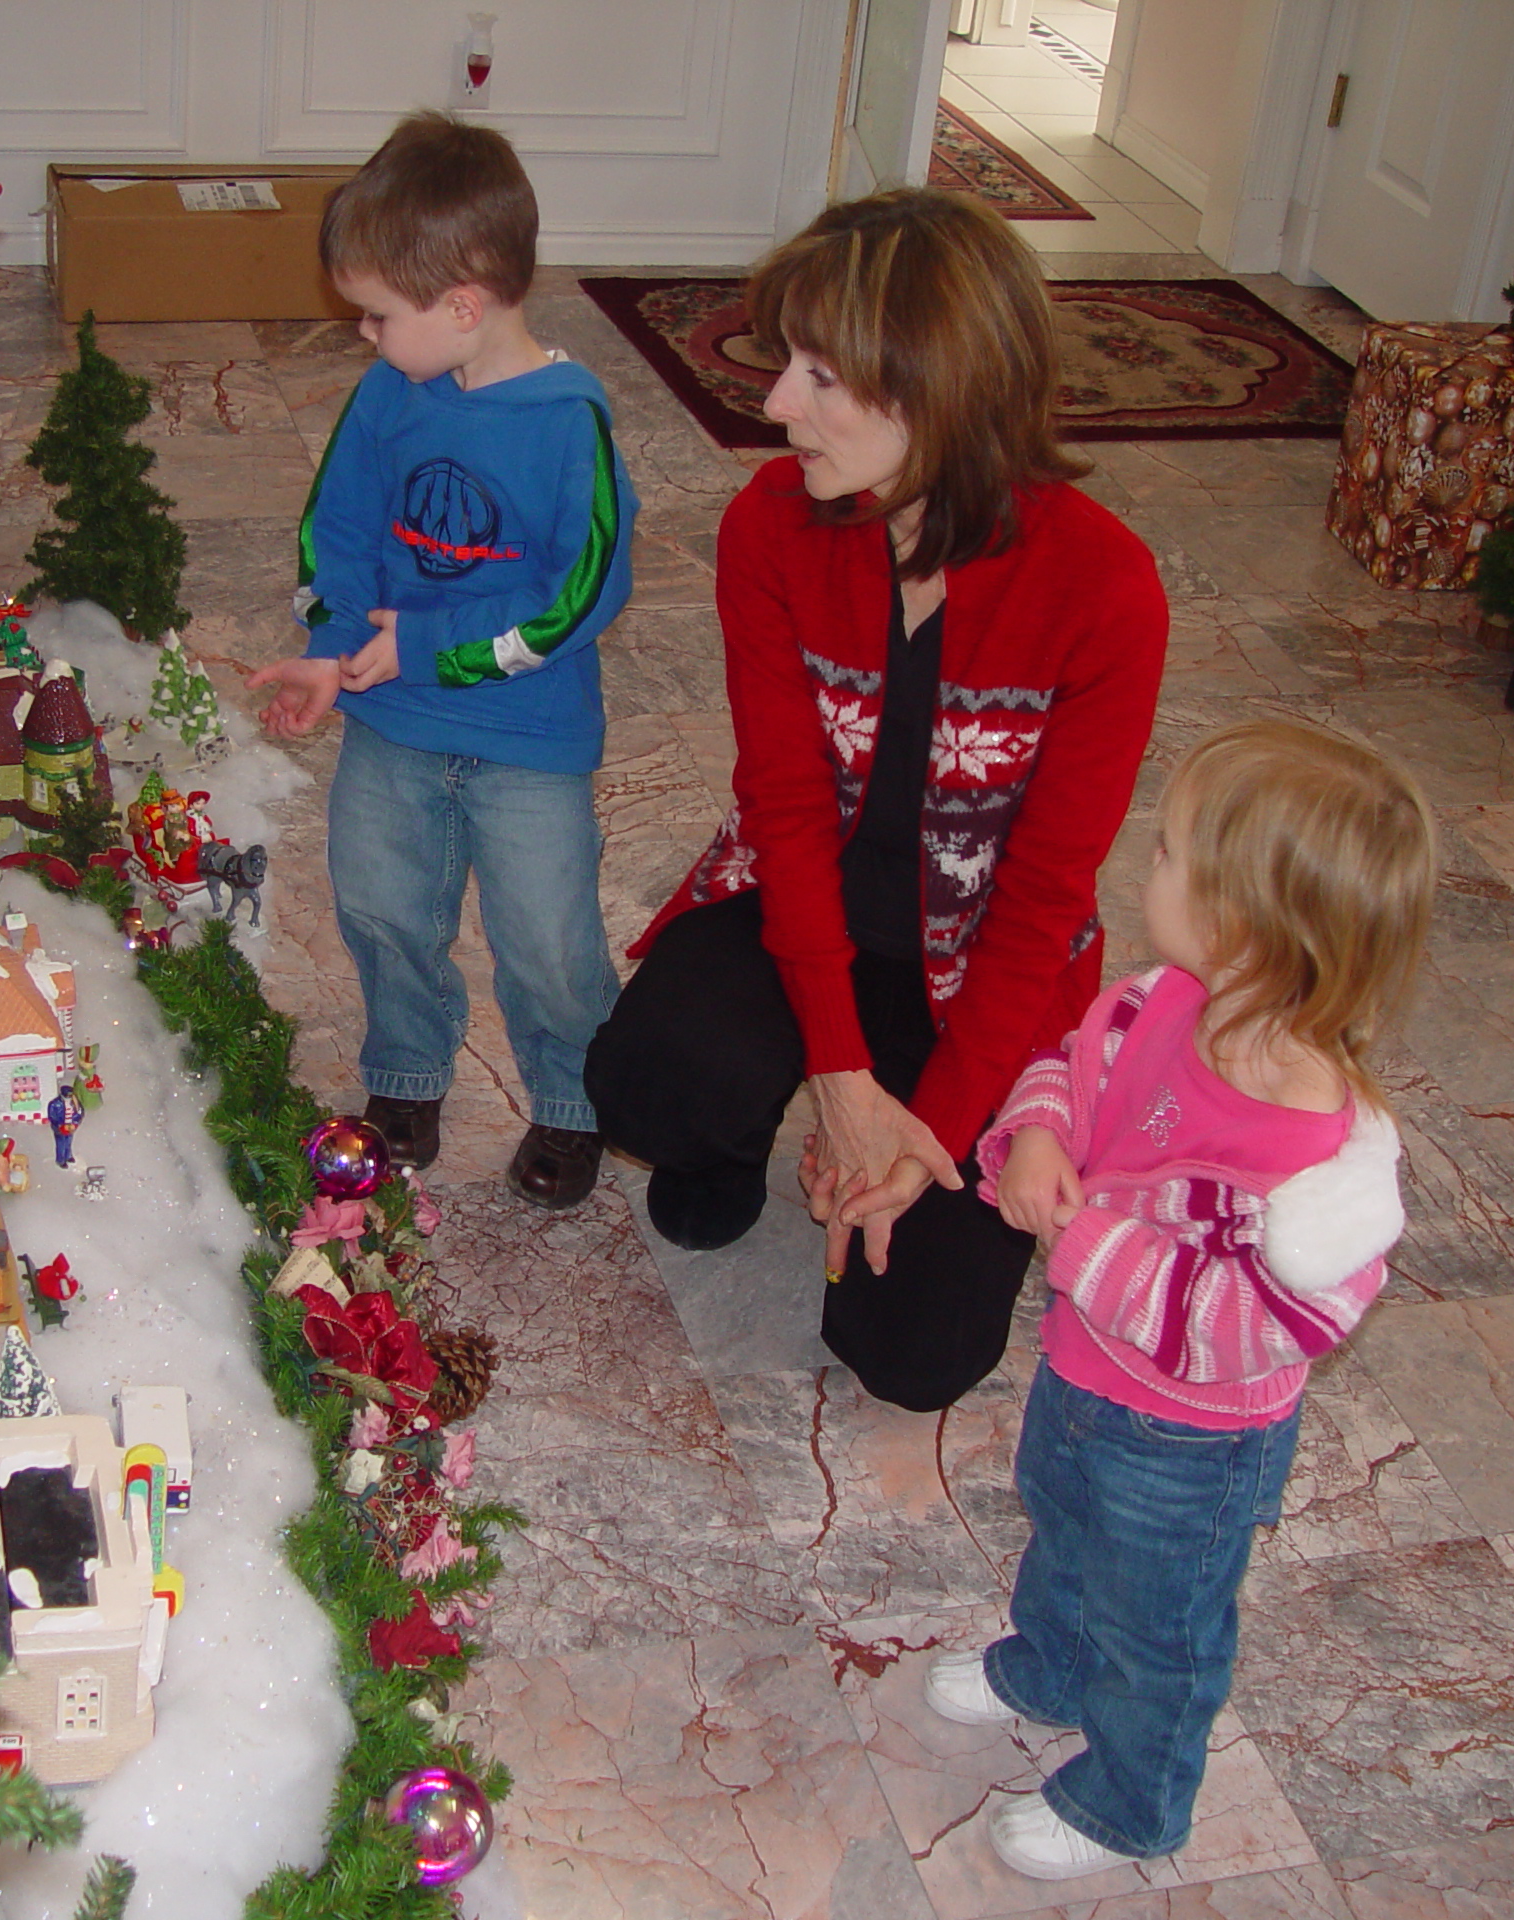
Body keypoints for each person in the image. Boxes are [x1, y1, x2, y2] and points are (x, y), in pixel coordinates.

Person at [585, 188, 1167, 1411]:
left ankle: (875, 1148)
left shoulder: (1103, 589)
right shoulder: (771, 529)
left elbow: (1045, 900)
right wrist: (846, 1090)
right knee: (650, 1083)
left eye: (820, 376)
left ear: (936, 391)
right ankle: (745, 1133)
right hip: (801, 911)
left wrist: (926, 1137)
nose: (774, 402)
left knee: (913, 1360)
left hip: (982, 969)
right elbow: (786, 813)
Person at [928, 719, 1435, 1882]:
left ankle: (1129, 1799)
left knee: (1159, 1625)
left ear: (1249, 925)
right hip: (1082, 1373)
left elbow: (1244, 1323)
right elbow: (1071, 1065)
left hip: (1193, 1445)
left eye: (1166, 855)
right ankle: (1049, 1667)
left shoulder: (1319, 1164)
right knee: (1061, 1527)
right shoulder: (1159, 1003)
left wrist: (1082, 1239)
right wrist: (1041, 1132)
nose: (1141, 867)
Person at [246, 111, 637, 1210]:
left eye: (375, 315)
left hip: (526, 742)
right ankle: (407, 1074)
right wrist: (334, 653)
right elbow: (341, 531)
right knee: (378, 902)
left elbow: (575, 591)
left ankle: (569, 1097)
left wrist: (413, 644)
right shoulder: (393, 392)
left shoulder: (570, 423)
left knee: (547, 938)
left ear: (462, 305)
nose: (364, 337)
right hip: (393, 726)